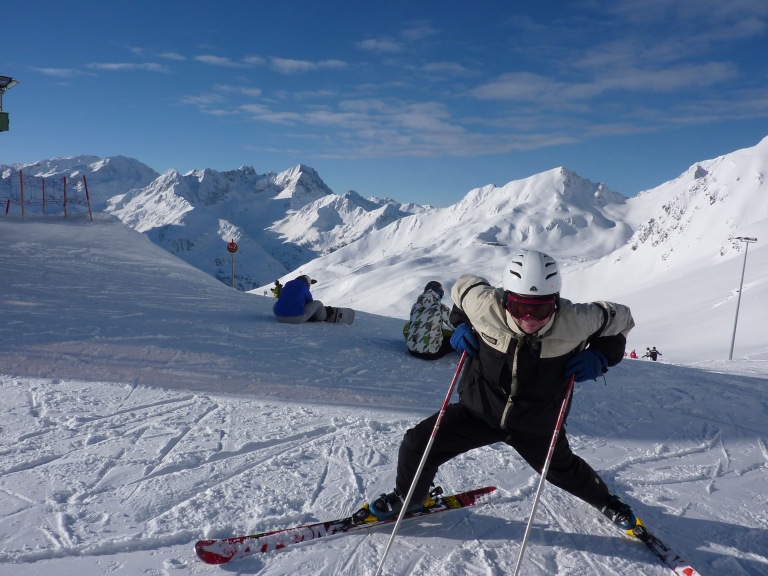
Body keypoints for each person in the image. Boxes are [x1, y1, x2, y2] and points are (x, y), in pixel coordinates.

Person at [367, 249, 639, 533]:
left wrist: (602, 356)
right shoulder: (486, 306)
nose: (531, 318)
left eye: (542, 308)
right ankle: (409, 499)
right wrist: (461, 324)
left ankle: (607, 502)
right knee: (417, 444)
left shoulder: (577, 320)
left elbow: (622, 320)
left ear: (556, 303)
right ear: (507, 299)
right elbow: (462, 291)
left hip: (536, 423)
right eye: (522, 308)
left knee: (564, 471)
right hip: (478, 411)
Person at [403, 281, 456, 360]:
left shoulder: (415, 306)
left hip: (412, 351)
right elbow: (455, 325)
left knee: (408, 325)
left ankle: (416, 343)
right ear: (439, 293)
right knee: (456, 336)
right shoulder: (440, 307)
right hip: (432, 354)